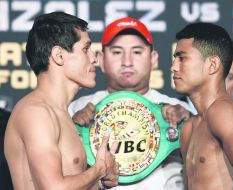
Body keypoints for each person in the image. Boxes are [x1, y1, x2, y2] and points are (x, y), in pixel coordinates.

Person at [69, 17, 192, 190]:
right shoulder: (75, 110)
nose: (127, 61)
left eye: (137, 52)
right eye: (117, 52)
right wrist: (73, 131)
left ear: (153, 59)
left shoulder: (179, 112)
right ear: (101, 60)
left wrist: (190, 128)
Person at [4, 12, 119, 190]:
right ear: (59, 56)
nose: (94, 58)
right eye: (85, 49)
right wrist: (99, 170)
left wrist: (99, 180)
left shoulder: (61, 114)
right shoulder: (36, 112)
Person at [172, 22, 233, 190]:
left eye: (182, 58)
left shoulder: (223, 111)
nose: (173, 67)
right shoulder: (189, 128)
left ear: (212, 65)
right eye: (174, 59)